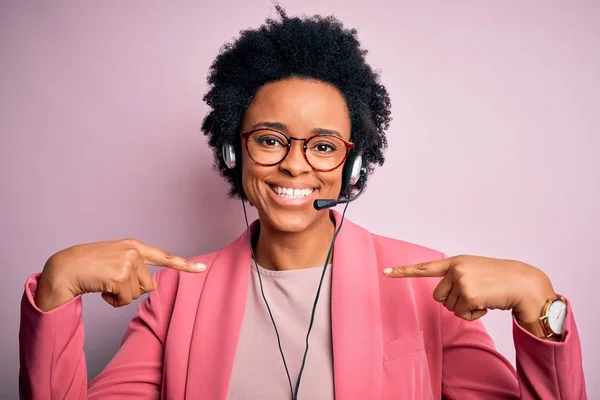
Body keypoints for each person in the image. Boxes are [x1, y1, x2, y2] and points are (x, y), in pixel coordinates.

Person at [19, 7, 586, 400]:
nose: (294, 165)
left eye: (322, 146)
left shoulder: (424, 284)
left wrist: (539, 302)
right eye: (269, 139)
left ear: (354, 161)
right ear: (233, 151)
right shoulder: (175, 295)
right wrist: (56, 285)